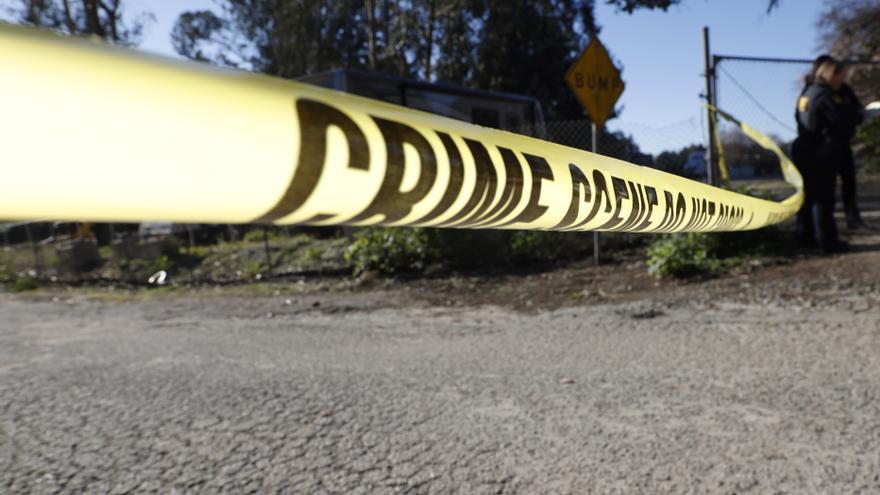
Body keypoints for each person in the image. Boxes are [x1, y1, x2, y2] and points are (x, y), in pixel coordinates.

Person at [793, 56, 851, 253]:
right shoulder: (826, 95)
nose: (842, 81)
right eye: (840, 76)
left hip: (803, 148)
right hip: (821, 151)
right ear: (830, 75)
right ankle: (827, 241)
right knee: (824, 198)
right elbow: (840, 123)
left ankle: (805, 238)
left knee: (808, 197)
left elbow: (798, 117)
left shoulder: (807, 92)